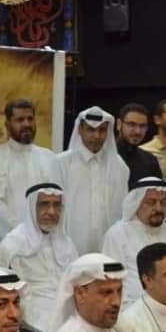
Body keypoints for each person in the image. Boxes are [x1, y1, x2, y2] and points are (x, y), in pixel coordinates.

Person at [101, 177, 166, 312]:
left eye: (163, 202)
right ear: (136, 203)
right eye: (151, 202)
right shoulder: (117, 235)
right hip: (135, 314)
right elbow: (112, 283)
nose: (158, 208)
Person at [0, 183, 78, 332]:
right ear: (31, 208)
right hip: (33, 311)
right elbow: (12, 292)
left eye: (56, 205)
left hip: (69, 305)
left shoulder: (66, 242)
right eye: (44, 204)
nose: (51, 211)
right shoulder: (13, 242)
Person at [50, 107, 130, 255]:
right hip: (70, 244)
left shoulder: (118, 165)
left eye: (102, 130)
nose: (96, 136)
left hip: (108, 245)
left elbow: (123, 209)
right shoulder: (62, 162)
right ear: (80, 130)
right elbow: (54, 205)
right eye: (90, 130)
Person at [0, 99, 55, 239]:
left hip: (46, 239)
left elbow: (55, 201)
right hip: (9, 240)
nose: (26, 124)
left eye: (30, 119)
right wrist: (21, 235)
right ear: (7, 124)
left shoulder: (49, 157)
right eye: (20, 120)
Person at [113, 103, 162, 184]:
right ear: (119, 124)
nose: (137, 131)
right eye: (132, 124)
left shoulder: (150, 161)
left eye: (142, 126)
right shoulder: (102, 155)